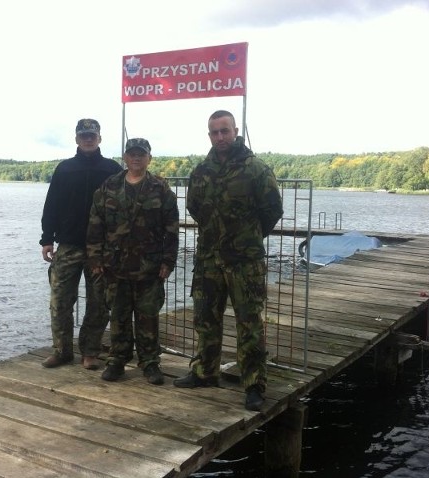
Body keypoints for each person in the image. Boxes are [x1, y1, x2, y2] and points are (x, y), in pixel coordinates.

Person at [173, 110, 283, 411]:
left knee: (250, 323)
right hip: (209, 257)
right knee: (205, 318)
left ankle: (254, 385)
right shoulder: (201, 172)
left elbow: (272, 210)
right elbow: (195, 207)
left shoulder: (256, 169)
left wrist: (247, 237)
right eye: (214, 132)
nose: (220, 137)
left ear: (235, 131)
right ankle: (204, 372)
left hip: (244, 261)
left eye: (225, 131)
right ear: (209, 135)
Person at [87, 137, 179, 385]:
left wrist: (168, 261)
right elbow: (96, 224)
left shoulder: (160, 188)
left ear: (149, 158)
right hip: (114, 266)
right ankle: (117, 360)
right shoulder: (108, 186)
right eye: (132, 154)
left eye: (141, 154)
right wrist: (95, 257)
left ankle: (150, 363)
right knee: (118, 316)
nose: (136, 158)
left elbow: (171, 228)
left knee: (148, 316)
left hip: (149, 267)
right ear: (125, 158)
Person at [39, 118, 123, 370]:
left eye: (92, 135)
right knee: (60, 301)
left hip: (101, 247)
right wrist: (46, 239)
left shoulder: (112, 169)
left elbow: (121, 208)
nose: (88, 139)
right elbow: (51, 204)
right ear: (76, 139)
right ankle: (62, 350)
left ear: (99, 138)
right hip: (69, 245)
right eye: (83, 135)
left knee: (98, 303)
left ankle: (90, 351)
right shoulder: (64, 169)